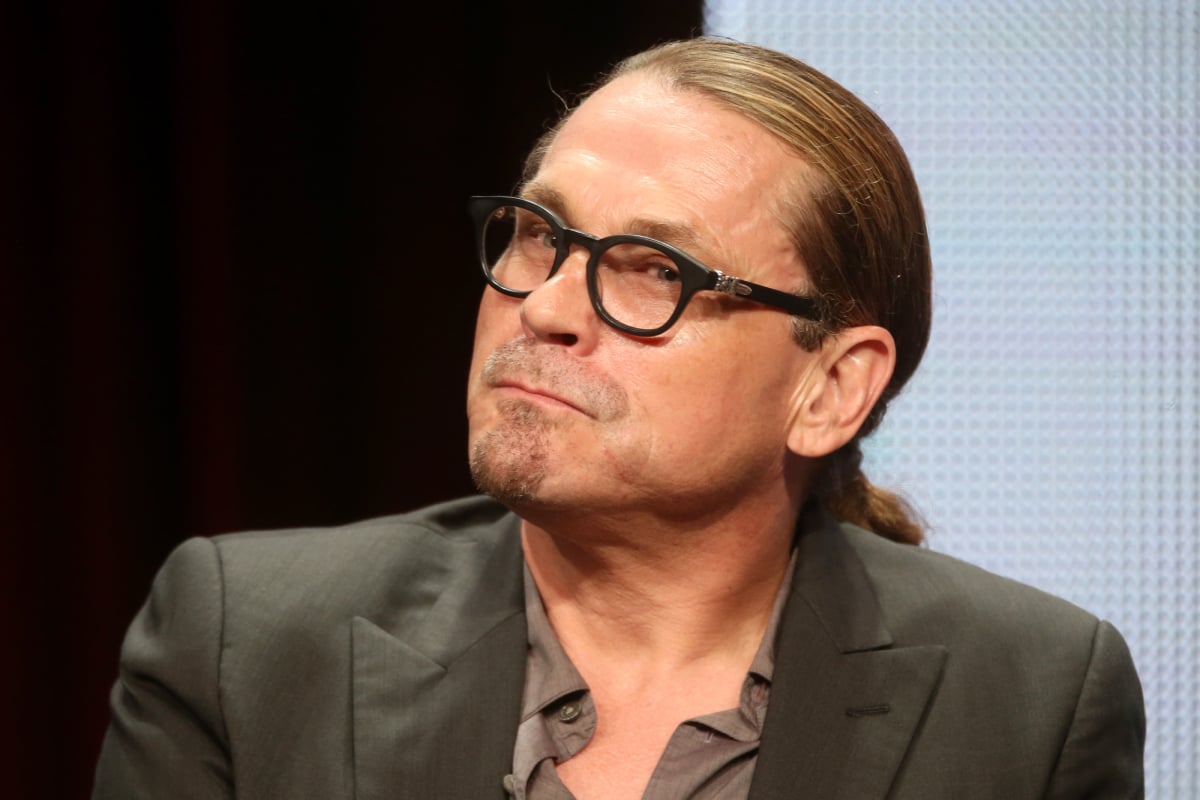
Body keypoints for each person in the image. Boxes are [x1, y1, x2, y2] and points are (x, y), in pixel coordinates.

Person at [93, 36, 1145, 799]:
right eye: (539, 234)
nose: (542, 305)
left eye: (654, 270)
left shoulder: (1032, 698)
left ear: (830, 387)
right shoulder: (247, 642)